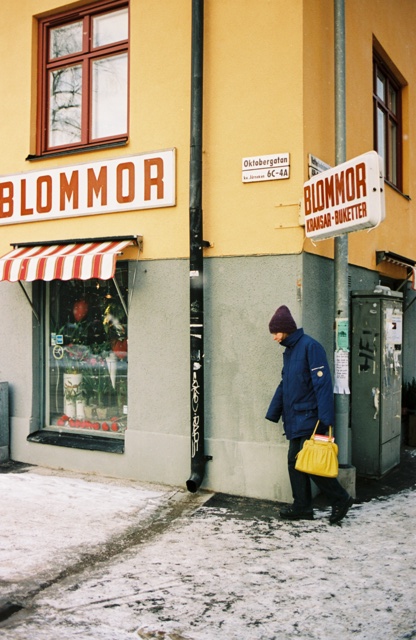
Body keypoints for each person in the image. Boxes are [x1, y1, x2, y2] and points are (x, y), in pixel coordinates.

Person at [265, 305, 354, 524]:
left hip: (309, 418)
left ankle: (340, 498)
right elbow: (285, 384)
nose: (274, 338)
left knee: (309, 463)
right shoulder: (291, 351)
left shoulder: (310, 347)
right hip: (295, 417)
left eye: (276, 333)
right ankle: (302, 507)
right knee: (295, 462)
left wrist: (325, 419)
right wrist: (273, 411)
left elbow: (322, 385)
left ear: (286, 330)